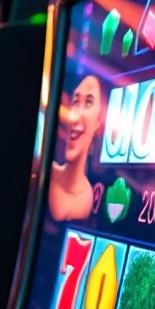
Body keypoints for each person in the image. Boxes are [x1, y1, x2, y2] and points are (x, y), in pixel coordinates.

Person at [48, 73, 106, 221]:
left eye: (88, 103)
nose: (74, 116)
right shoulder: (51, 169)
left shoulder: (85, 198)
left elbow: (59, 211)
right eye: (75, 102)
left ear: (99, 121)